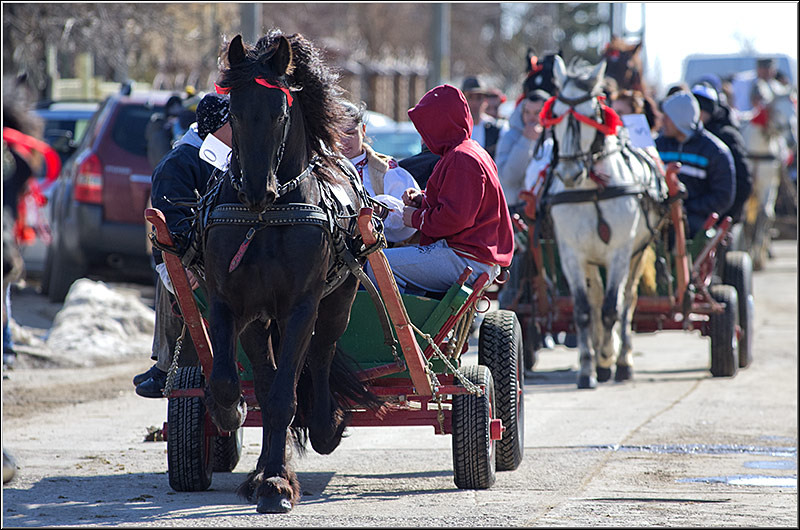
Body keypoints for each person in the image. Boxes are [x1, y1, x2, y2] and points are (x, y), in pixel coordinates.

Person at [366, 84, 514, 295]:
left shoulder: (461, 158)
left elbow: (456, 218)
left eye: (427, 127)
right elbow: (460, 201)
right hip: (472, 255)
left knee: (376, 265)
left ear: (440, 124)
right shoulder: (468, 151)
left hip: (466, 257)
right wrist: (423, 200)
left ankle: (397, 327)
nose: (423, 135)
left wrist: (415, 218)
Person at [134, 92, 232, 398]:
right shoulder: (181, 162)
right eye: (235, 123)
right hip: (195, 261)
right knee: (177, 278)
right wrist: (187, 264)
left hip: (234, 259)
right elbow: (172, 224)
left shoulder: (234, 158)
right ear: (218, 128)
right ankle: (168, 366)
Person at [338, 99, 421, 244]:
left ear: (363, 130)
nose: (343, 141)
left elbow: (407, 222)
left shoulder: (386, 170)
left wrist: (382, 210)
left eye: (351, 133)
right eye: (337, 134)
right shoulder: (320, 169)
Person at [655, 91, 736, 238]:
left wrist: (688, 207)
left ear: (679, 119)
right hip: (661, 215)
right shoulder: (657, 146)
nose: (663, 121)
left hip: (695, 220)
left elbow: (723, 195)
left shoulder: (715, 152)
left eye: (667, 117)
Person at [691, 83, 752, 224]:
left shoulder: (728, 137)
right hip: (696, 216)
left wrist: (727, 217)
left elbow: (743, 183)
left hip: (721, 219)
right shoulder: (687, 138)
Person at [494, 89, 551, 214]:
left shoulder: (555, 138)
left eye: (537, 113)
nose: (531, 118)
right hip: (517, 209)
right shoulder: (509, 137)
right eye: (527, 112)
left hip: (546, 210)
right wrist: (526, 141)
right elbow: (508, 178)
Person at [461, 76, 504, 159]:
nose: (475, 102)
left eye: (479, 97)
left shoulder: (495, 129)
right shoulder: (456, 129)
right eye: (470, 97)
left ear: (485, 99)